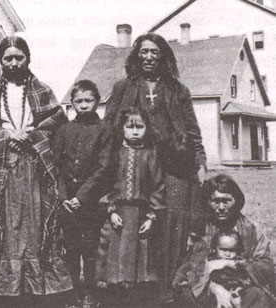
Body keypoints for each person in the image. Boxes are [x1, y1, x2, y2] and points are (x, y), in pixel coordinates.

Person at [0, 36, 71, 307]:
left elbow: (57, 120)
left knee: (32, 223)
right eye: (7, 58)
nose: (13, 63)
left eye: (18, 57)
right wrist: (5, 133)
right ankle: (0, 286)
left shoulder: (42, 90)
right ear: (0, 61)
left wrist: (33, 134)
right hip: (0, 169)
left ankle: (35, 287)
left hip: (33, 168)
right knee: (7, 224)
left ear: (27, 59)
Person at [103, 33, 207, 303]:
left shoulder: (177, 89)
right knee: (134, 223)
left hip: (173, 164)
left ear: (163, 56)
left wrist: (200, 160)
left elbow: (192, 130)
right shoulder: (123, 87)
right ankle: (132, 288)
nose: (149, 57)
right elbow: (109, 127)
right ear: (137, 55)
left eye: (155, 52)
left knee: (167, 222)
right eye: (144, 51)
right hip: (135, 162)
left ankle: (166, 289)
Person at [53, 80, 116, 308]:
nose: (83, 105)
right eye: (78, 101)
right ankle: (73, 293)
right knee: (70, 249)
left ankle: (89, 292)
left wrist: (81, 197)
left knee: (90, 249)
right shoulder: (64, 131)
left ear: (97, 102)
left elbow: (104, 167)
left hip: (91, 202)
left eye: (88, 100)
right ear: (72, 104)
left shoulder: (105, 130)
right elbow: (56, 167)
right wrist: (63, 198)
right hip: (67, 203)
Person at [96, 107, 165, 308]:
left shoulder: (151, 154)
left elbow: (159, 186)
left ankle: (137, 300)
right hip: (119, 215)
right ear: (122, 129)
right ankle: (115, 300)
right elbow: (105, 183)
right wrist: (112, 210)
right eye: (130, 127)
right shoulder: (115, 153)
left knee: (140, 259)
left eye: (140, 127)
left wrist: (152, 216)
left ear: (147, 129)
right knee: (116, 257)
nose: (135, 132)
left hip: (141, 215)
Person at [173, 174, 275, 308]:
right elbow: (184, 272)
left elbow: (266, 267)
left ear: (237, 201)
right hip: (204, 288)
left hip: (242, 286)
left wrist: (231, 263)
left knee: (258, 296)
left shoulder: (250, 229)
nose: (221, 207)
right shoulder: (198, 229)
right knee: (187, 295)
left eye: (226, 200)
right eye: (215, 201)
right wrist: (214, 288)